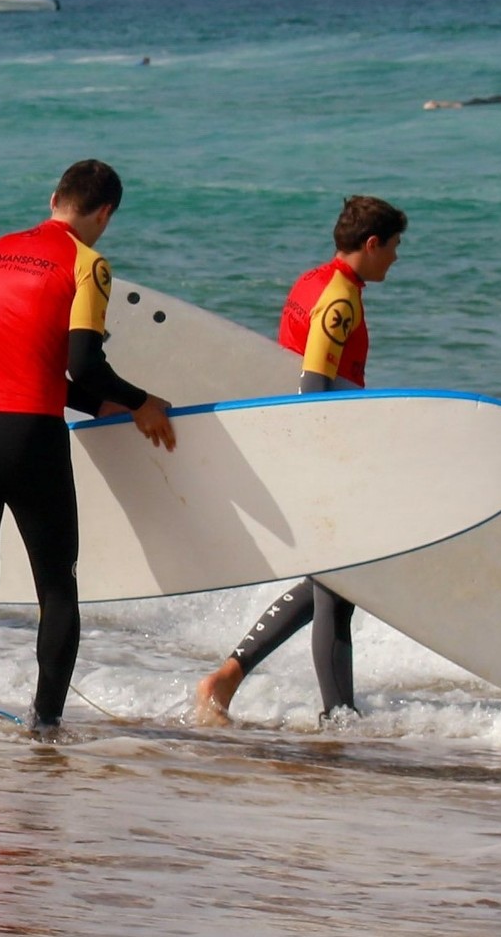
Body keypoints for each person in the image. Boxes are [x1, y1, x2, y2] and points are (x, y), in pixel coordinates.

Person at [0, 159, 176, 731]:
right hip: (27, 440)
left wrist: (100, 406)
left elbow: (25, 361)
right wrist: (142, 402)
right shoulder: (88, 265)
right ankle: (44, 727)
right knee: (56, 587)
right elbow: (83, 363)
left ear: (53, 198)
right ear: (105, 213)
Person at [195, 195, 408, 724]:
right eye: (395, 248)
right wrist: (322, 465)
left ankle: (227, 678)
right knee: (338, 589)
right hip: (320, 452)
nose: (396, 260)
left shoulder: (310, 281)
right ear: (372, 243)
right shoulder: (340, 299)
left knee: (328, 584)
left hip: (305, 446)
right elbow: (312, 385)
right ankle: (340, 720)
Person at [423, 91, 501, 110]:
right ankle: (437, 105)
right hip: (480, 103)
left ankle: (437, 103)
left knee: (460, 103)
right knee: (459, 105)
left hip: (480, 101)